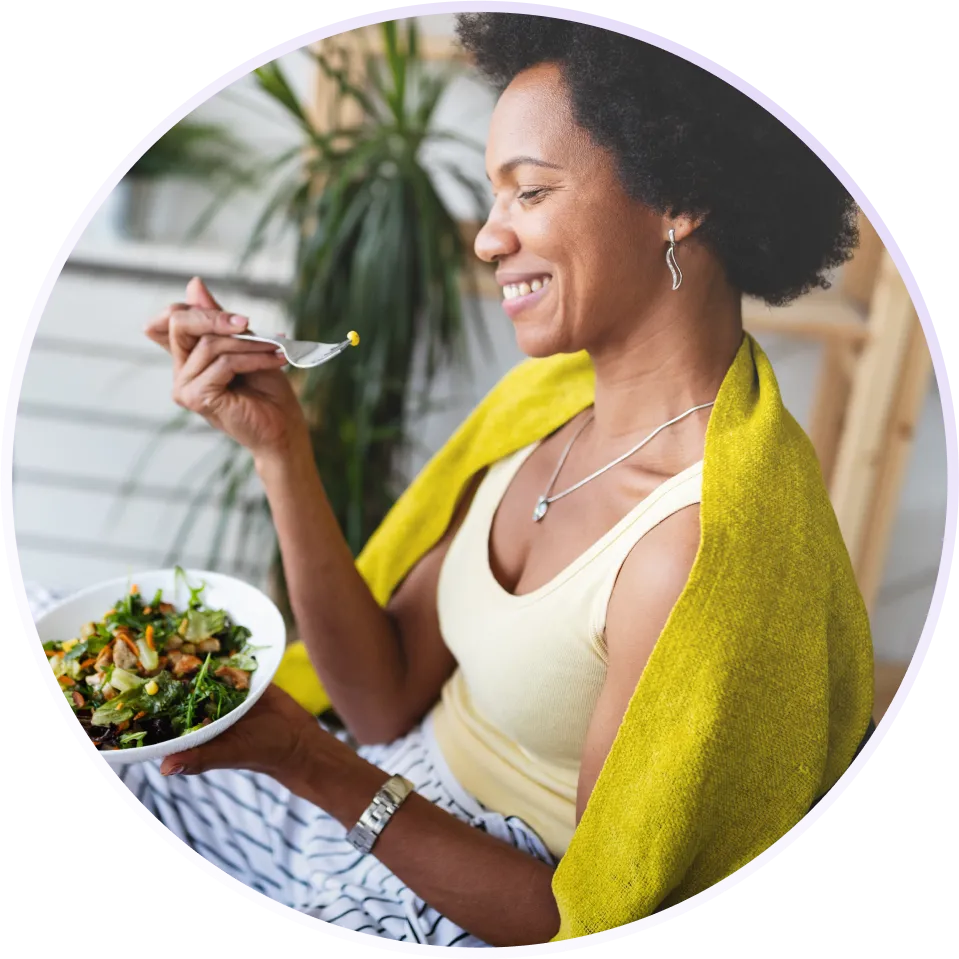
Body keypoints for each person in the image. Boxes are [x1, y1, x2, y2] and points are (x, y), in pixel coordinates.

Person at [124, 12, 863, 948]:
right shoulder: (543, 409)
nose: (486, 239)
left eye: (529, 193)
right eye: (493, 196)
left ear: (677, 197)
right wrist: (281, 448)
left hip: (455, 903)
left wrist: (307, 762)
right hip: (378, 791)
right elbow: (382, 695)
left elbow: (578, 919)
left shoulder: (694, 549)